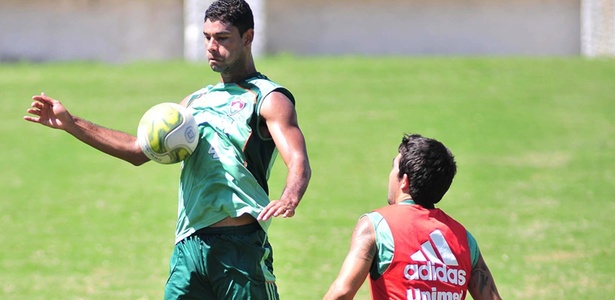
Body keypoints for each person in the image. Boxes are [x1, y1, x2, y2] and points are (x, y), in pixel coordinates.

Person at [23, 0, 311, 299]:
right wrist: (71, 123)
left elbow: (298, 160)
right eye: (207, 37)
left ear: (247, 38)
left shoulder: (268, 98)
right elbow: (137, 150)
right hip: (189, 246)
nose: (212, 46)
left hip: (238, 248)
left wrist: (290, 197)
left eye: (222, 38)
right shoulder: (194, 102)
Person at [324, 134, 501, 300]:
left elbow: (342, 292)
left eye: (394, 167)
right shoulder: (465, 240)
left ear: (404, 180)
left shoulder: (377, 225)